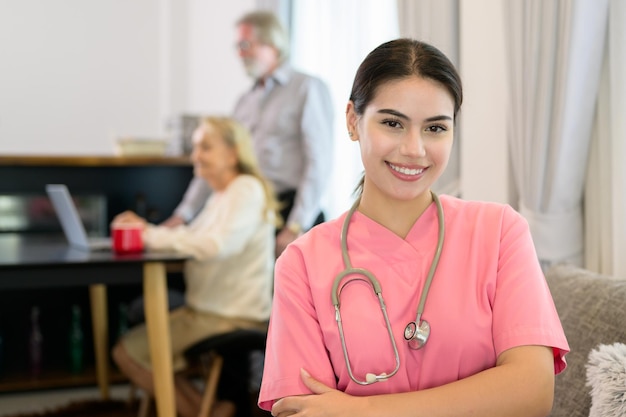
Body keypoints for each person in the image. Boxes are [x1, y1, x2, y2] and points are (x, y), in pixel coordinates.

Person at [258, 38, 570, 417]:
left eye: (435, 128)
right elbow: (302, 410)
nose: (414, 149)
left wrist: (362, 410)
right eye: (392, 123)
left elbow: (532, 393)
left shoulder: (499, 232)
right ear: (353, 121)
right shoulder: (303, 264)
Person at [111, 116, 280, 417]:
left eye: (205, 147)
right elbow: (192, 237)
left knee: (129, 353)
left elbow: (214, 245)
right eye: (194, 147)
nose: (195, 156)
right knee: (135, 350)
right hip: (209, 311)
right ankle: (211, 409)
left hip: (228, 315)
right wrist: (148, 231)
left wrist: (146, 233)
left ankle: (205, 410)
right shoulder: (223, 195)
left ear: (232, 153)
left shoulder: (245, 190)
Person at [162, 10, 334, 257]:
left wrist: (296, 225)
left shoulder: (307, 89)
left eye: (245, 45)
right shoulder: (244, 102)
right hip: (252, 213)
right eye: (237, 47)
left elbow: (319, 162)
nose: (240, 54)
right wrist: (183, 215)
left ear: (272, 43)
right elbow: (217, 163)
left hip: (291, 214)